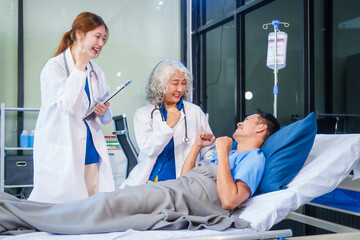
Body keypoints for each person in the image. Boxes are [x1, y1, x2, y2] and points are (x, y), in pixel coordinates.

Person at [0, 110, 280, 234]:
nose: (240, 122)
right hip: (176, 189)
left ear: (261, 129)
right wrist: (196, 146)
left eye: (248, 120)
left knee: (104, 204)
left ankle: (14, 213)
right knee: (104, 203)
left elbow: (230, 201)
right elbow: (186, 176)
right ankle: (17, 211)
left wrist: (220, 151)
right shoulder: (231, 153)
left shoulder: (252, 158)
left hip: (179, 200)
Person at [28, 12, 115, 204]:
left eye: (104, 39)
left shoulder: (96, 72)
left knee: (91, 211)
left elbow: (107, 118)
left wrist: (103, 111)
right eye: (97, 37)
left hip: (91, 151)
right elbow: (69, 107)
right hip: (64, 150)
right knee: (62, 214)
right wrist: (79, 69)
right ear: (79, 34)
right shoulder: (55, 67)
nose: (101, 43)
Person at [121, 59, 216, 187]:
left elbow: (209, 152)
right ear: (160, 84)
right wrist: (168, 126)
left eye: (183, 83)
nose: (180, 89)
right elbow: (148, 150)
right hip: (152, 180)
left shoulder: (195, 112)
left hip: (187, 181)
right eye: (175, 83)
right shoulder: (143, 114)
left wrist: (203, 176)